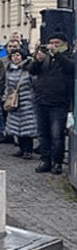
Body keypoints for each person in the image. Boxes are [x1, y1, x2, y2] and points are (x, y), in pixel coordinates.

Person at [29, 32, 74, 175]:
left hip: (59, 103)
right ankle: (45, 160)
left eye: (57, 43)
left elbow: (70, 68)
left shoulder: (69, 56)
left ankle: (57, 162)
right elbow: (32, 71)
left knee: (57, 135)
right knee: (43, 134)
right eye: (51, 43)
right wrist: (37, 60)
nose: (53, 46)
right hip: (41, 100)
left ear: (64, 45)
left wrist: (57, 55)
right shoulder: (46, 57)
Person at [2, 49, 36, 159]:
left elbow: (34, 84)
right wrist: (5, 98)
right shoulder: (9, 69)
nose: (15, 57)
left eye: (18, 55)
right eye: (13, 55)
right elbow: (7, 85)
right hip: (14, 101)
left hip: (27, 101)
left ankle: (28, 150)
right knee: (16, 127)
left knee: (27, 127)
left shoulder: (28, 69)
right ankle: (21, 148)